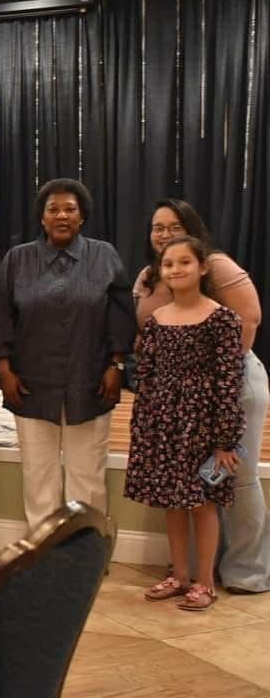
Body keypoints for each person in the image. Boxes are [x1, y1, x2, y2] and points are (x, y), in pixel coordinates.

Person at [133, 198, 270, 594]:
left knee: (233, 482)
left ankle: (246, 572)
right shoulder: (149, 278)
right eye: (158, 227)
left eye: (174, 226)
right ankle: (186, 571)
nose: (164, 234)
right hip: (171, 407)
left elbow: (249, 319)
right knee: (181, 492)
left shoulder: (219, 269)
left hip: (226, 389)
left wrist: (211, 388)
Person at [0, 178, 136, 529]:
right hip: (30, 385)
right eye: (53, 209)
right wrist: (3, 369)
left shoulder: (104, 256)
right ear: (42, 217)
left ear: (82, 216)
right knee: (39, 475)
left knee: (87, 475)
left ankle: (86, 555)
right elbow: (1, 316)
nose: (62, 215)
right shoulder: (18, 260)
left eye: (70, 209)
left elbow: (120, 315)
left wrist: (116, 365)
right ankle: (42, 553)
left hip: (90, 382)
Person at [126, 236, 244, 611]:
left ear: (203, 267)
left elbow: (229, 380)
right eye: (168, 264)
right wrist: (144, 426)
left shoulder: (222, 318)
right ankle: (178, 575)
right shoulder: (157, 320)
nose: (175, 269)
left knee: (203, 504)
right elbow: (146, 377)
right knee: (171, 503)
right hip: (163, 423)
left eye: (184, 262)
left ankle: (204, 582)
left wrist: (225, 439)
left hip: (203, 425)